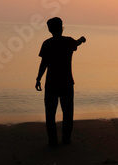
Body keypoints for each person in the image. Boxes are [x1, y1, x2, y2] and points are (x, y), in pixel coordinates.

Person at [35, 17, 86, 146]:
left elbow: (44, 63)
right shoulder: (68, 42)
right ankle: (66, 139)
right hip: (67, 83)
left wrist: (38, 78)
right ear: (61, 27)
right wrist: (82, 39)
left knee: (50, 114)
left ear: (49, 29)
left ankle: (52, 140)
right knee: (68, 113)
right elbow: (77, 42)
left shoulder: (47, 44)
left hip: (51, 84)